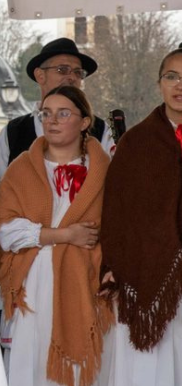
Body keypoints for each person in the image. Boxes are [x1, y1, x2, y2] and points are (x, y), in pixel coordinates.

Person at [0, 37, 113, 333]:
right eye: (63, 69)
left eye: (78, 72)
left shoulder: (101, 132)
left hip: (84, 269)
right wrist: (3, 256)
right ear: (39, 76)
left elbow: (112, 198)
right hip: (27, 268)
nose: (72, 77)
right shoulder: (15, 133)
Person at [0, 86, 111, 386]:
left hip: (86, 285)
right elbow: (6, 231)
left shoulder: (104, 171)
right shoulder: (21, 168)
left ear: (85, 122)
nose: (52, 120)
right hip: (33, 286)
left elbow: (114, 229)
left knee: (85, 370)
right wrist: (65, 234)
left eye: (63, 113)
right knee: (32, 366)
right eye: (46, 113)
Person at [99, 48, 182, 386]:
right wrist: (113, 266)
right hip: (149, 271)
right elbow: (118, 212)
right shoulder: (137, 142)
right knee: (154, 367)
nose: (179, 85)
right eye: (172, 77)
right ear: (159, 83)